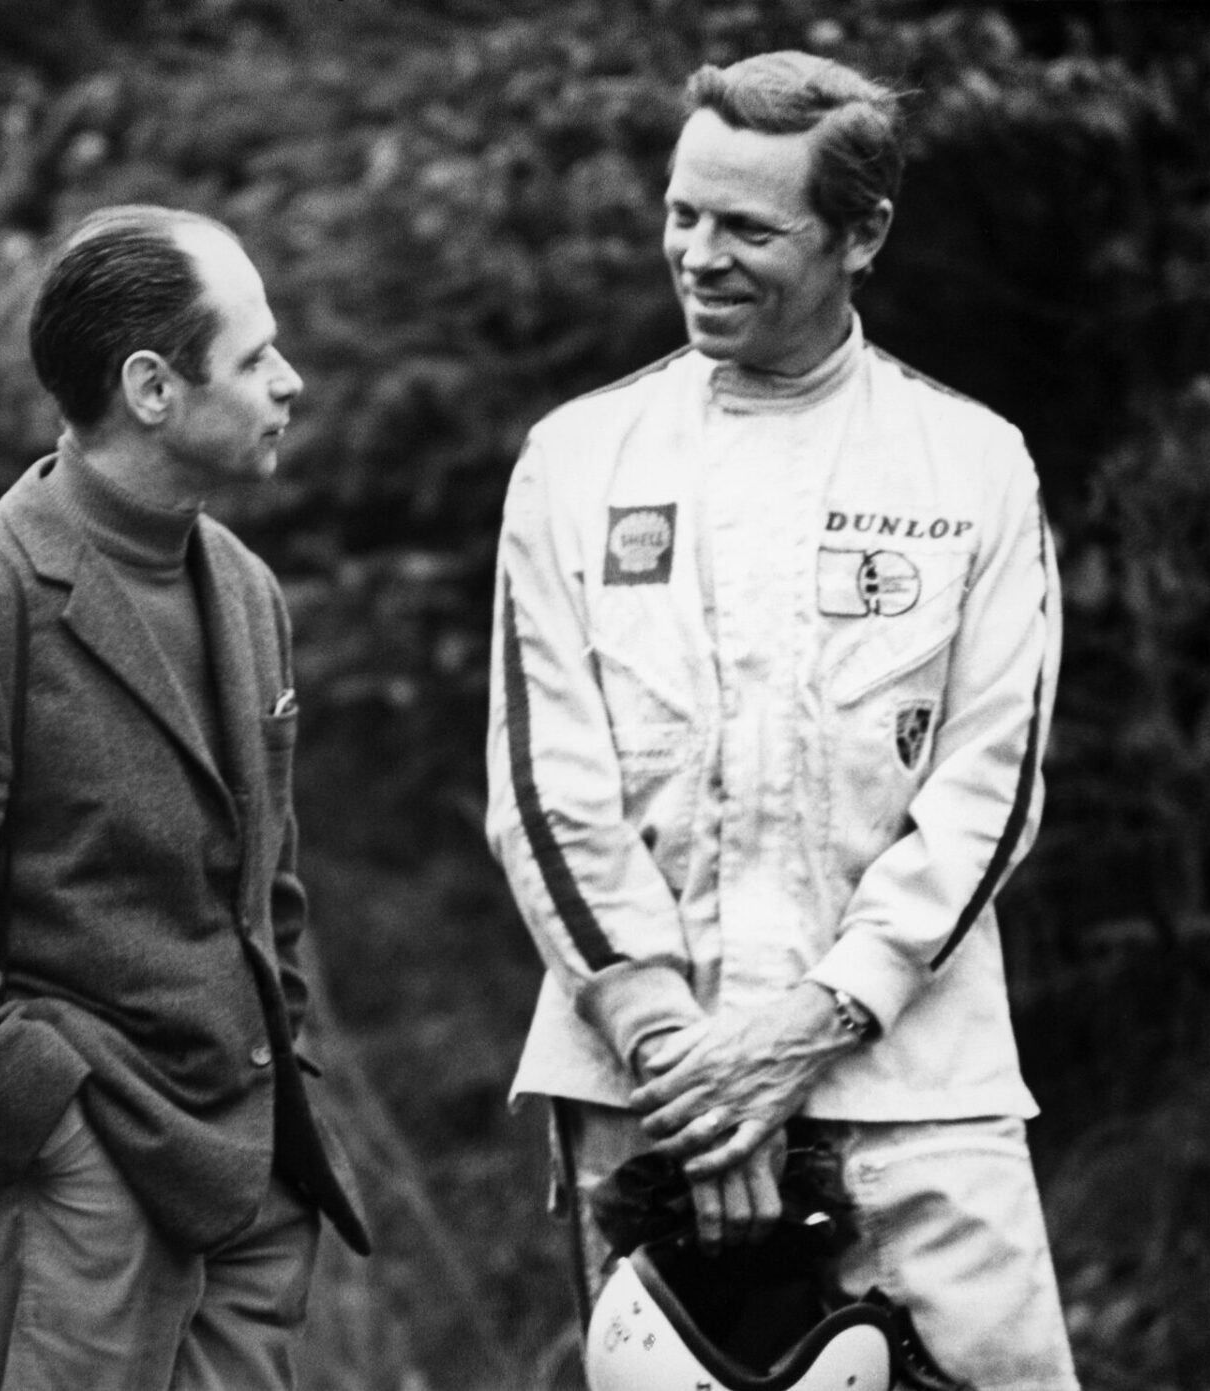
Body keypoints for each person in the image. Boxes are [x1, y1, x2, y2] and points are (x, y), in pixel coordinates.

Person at [486, 51, 1077, 1389]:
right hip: (647, 1097)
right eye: (682, 213)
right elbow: (545, 792)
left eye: (748, 228)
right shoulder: (576, 459)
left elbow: (990, 787)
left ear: (862, 235)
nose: (698, 255)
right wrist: (682, 1058)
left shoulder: (973, 463)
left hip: (916, 1092)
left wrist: (814, 1019)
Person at [0, 203, 371, 1390]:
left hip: (251, 1188)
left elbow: (265, 885)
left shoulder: (246, 587)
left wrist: (283, 1065)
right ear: (152, 388)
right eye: (255, 356)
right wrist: (55, 1126)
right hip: (79, 1195)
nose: (291, 380)